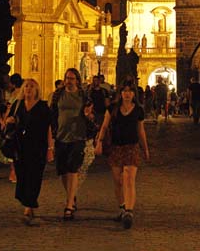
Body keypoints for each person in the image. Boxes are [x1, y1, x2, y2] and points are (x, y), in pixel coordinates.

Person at [96, 80, 150, 229]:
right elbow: (105, 125)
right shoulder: (113, 108)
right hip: (116, 147)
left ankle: (129, 212)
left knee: (129, 177)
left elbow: (141, 131)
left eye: (130, 91)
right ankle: (122, 206)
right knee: (118, 181)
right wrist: (99, 142)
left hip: (132, 147)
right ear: (120, 93)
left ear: (134, 94)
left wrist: (145, 148)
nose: (127, 94)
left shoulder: (138, 110)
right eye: (124, 91)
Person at [6, 78, 53, 225]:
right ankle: (28, 202)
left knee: (34, 176)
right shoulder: (17, 104)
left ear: (36, 90)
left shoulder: (43, 107)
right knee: (22, 175)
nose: (28, 89)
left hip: (38, 146)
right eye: (26, 86)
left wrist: (50, 148)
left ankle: (28, 206)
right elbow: (7, 119)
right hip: (20, 146)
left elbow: (49, 128)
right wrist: (9, 121)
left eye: (32, 86)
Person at [50, 68, 89, 220]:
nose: (69, 81)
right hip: (60, 136)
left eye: (72, 78)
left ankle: (69, 205)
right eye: (67, 78)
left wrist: (87, 116)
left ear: (77, 80)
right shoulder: (58, 95)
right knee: (63, 171)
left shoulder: (83, 95)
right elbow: (52, 113)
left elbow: (89, 112)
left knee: (73, 169)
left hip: (77, 135)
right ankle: (71, 195)